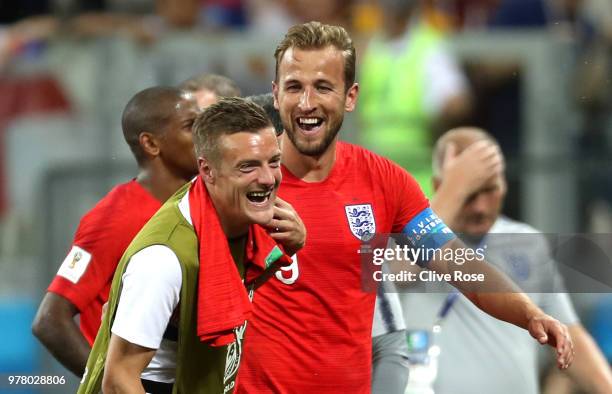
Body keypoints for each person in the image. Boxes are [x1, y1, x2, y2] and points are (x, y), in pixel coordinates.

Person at [235, 21, 573, 393]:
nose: (307, 103)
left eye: (323, 87)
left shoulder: (384, 181)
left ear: (350, 97)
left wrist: (529, 313)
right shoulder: (240, 181)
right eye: (294, 87)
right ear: (276, 93)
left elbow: (459, 265)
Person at [78, 97, 295, 394]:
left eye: (274, 162)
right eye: (248, 167)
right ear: (207, 171)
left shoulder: (232, 217)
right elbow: (118, 381)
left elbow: (231, 288)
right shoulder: (162, 260)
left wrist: (288, 248)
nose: (268, 178)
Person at [399, 127, 612, 394]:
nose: (480, 207)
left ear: (504, 186)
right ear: (438, 187)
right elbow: (396, 272)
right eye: (469, 194)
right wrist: (454, 188)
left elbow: (568, 334)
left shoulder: (525, 241)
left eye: (489, 190)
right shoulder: (404, 242)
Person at [32, 86, 201, 377]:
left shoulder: (199, 204)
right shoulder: (113, 218)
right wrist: (107, 383)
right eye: (191, 126)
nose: (203, 136)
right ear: (151, 144)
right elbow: (50, 320)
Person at [358, 0, 471, 196]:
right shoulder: (369, 48)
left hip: (416, 176)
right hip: (372, 174)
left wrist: (443, 110)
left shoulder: (429, 48)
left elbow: (457, 102)